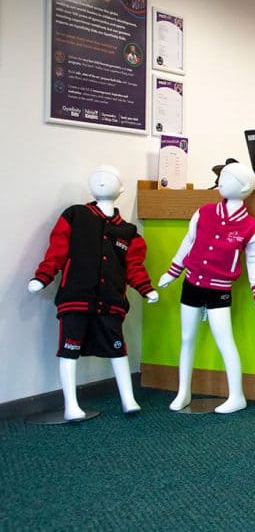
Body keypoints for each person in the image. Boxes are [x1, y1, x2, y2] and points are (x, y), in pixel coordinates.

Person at [28, 166, 159, 420]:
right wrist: (42, 277)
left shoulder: (129, 232)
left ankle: (128, 398)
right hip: (75, 298)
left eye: (110, 178)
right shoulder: (75, 215)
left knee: (117, 348)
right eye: (97, 177)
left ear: (121, 188)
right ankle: (71, 405)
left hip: (111, 302)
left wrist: (146, 289)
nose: (102, 180)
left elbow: (134, 267)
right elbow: (57, 250)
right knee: (69, 349)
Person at [158, 163, 255, 414]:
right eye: (221, 177)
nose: (221, 182)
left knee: (225, 340)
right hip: (191, 283)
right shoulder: (204, 213)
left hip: (219, 289)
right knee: (187, 338)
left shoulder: (251, 227)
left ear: (245, 187)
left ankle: (236, 395)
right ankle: (183, 391)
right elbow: (188, 242)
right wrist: (173, 272)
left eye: (228, 178)